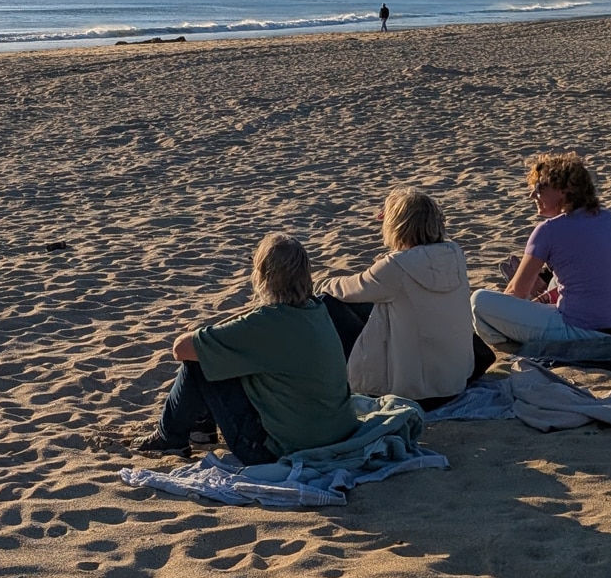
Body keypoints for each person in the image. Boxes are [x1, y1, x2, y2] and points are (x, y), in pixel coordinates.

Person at [139, 233, 357, 464]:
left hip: (281, 450)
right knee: (225, 355)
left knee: (200, 360)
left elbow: (180, 349)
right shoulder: (316, 310)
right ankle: (201, 427)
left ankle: (169, 437)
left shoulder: (266, 325)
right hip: (336, 434)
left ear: (264, 276)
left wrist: (210, 330)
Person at [472, 151, 611, 354]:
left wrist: (515, 311)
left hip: (586, 331)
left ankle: (510, 346)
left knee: (479, 301)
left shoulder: (548, 230)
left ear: (564, 189)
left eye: (539, 188)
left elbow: (516, 292)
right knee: (557, 279)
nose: (532, 194)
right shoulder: (609, 218)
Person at [319, 188, 476, 407]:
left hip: (416, 393)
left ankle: (330, 384)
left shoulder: (396, 266)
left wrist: (323, 283)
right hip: (455, 383)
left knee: (327, 302)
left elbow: (348, 288)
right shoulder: (454, 253)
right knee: (383, 303)